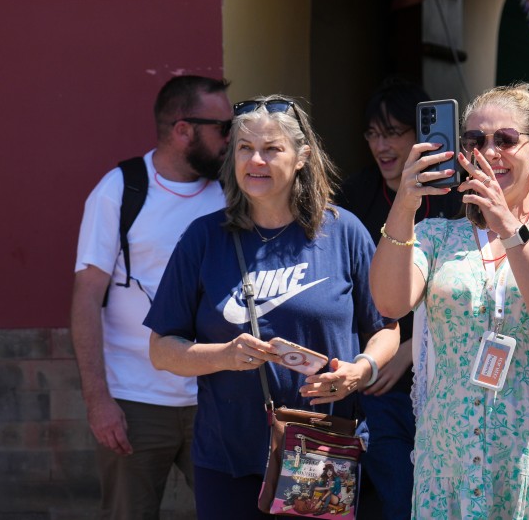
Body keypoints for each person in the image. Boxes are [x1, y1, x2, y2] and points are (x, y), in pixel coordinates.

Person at [370, 83, 529, 519]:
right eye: (474, 141)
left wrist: (508, 228)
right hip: (452, 461)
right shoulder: (437, 236)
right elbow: (391, 304)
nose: (489, 151)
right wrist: (406, 204)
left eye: (505, 140)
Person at [144, 95, 400, 520]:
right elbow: (161, 349)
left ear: (301, 157)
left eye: (271, 149)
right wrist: (223, 356)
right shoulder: (203, 239)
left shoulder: (343, 232)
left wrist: (361, 372)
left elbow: (386, 327)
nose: (255, 160)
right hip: (228, 460)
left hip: (320, 451)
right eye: (245, 148)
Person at [71, 74, 232, 519]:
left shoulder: (232, 191)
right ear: (183, 130)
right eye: (223, 128)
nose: (232, 140)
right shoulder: (120, 190)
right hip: (136, 402)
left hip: (214, 396)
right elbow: (86, 298)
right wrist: (98, 401)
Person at [336, 77, 462, 518]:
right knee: (400, 501)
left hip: (449, 377)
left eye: (393, 132)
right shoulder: (354, 195)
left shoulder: (460, 195)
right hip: (380, 383)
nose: (381, 145)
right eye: (373, 133)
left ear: (422, 135)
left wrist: (411, 348)